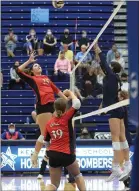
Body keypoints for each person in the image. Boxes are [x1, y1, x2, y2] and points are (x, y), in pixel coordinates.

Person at [16, 52, 68, 167]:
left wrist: (66, 99)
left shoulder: (46, 78)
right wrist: (29, 61)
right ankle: (36, 154)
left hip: (52, 105)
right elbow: (18, 70)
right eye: (35, 66)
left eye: (38, 65)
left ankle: (48, 155)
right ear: (32, 71)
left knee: (54, 132)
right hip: (43, 107)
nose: (38, 66)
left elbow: (56, 90)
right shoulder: (32, 79)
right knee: (46, 134)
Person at [94, 43, 132, 182]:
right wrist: (102, 107)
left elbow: (103, 64)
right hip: (118, 108)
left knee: (116, 139)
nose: (107, 67)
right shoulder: (113, 78)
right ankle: (126, 164)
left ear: (112, 68)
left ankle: (116, 167)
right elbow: (109, 95)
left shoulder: (111, 76)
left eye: (109, 66)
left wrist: (99, 51)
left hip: (116, 110)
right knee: (121, 137)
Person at [42, 90, 86, 191]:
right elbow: (77, 103)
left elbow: (46, 142)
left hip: (53, 154)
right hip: (66, 153)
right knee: (78, 176)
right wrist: (70, 93)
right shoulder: (66, 117)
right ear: (65, 108)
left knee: (54, 185)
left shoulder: (49, 123)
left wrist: (48, 152)